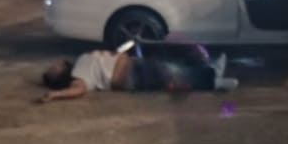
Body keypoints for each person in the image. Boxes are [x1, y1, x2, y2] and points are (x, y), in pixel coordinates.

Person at [39, 45, 238, 103]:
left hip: (134, 66)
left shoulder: (80, 62)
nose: (54, 66)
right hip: (131, 75)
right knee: (174, 74)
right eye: (52, 71)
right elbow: (78, 90)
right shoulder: (78, 77)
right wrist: (56, 95)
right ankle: (214, 80)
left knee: (173, 69)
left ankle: (212, 72)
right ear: (59, 78)